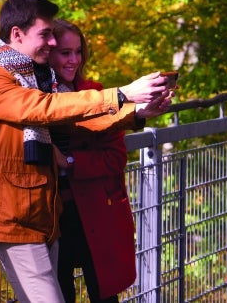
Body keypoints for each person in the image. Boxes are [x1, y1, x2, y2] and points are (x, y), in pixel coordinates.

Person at [0, 0, 172, 303]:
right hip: (14, 221)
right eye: (45, 34)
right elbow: (42, 108)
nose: (51, 42)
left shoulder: (30, 76)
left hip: (46, 215)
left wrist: (136, 112)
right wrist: (123, 93)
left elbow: (71, 123)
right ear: (17, 34)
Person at [49, 19, 138, 303]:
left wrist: (69, 161)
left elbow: (115, 157)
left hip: (94, 212)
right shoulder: (28, 99)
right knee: (58, 294)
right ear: (47, 52)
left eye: (78, 52)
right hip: (51, 217)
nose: (73, 60)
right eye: (65, 52)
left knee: (104, 296)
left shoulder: (97, 95)